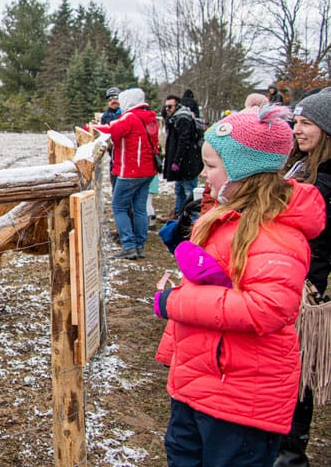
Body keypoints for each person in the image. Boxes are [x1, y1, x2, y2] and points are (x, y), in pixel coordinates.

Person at [153, 105, 324, 466]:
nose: (204, 174)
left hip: (241, 400)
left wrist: (175, 302)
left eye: (212, 166)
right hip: (198, 384)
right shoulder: (227, 219)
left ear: (244, 171)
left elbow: (266, 308)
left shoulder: (276, 235)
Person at [277, 89, 331, 466]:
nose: (297, 129)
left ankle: (290, 454)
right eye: (296, 121)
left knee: (297, 372)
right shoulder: (304, 165)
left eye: (306, 123)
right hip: (291, 275)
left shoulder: (324, 180)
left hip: (308, 284)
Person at [94, 87, 159, 259]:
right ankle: (139, 245)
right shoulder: (150, 117)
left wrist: (90, 126)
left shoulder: (130, 117)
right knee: (139, 209)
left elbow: (109, 130)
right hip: (148, 170)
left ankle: (128, 245)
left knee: (119, 206)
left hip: (130, 170)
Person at [163, 94, 204, 221]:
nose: (167, 109)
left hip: (188, 163)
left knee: (189, 192)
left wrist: (177, 161)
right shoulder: (175, 118)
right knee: (179, 190)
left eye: (170, 106)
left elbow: (183, 142)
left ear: (177, 105)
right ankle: (179, 216)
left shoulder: (183, 119)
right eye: (166, 107)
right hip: (183, 164)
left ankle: (193, 220)